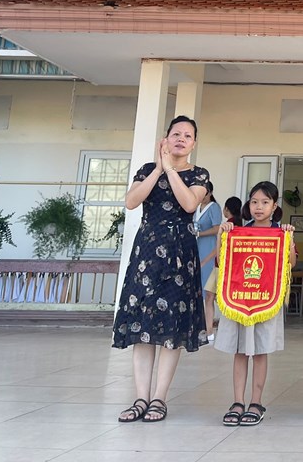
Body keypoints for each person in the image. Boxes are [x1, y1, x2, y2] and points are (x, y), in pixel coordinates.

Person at [113, 116, 210, 423]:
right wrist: (158, 169)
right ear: (165, 139)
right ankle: (140, 398)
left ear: (193, 144)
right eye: (176, 134)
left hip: (180, 255)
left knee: (171, 327)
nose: (181, 139)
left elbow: (189, 205)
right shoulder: (147, 170)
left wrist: (170, 170)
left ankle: (159, 398)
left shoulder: (198, 174)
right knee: (142, 324)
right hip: (146, 254)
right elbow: (131, 202)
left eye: (188, 136)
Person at [215, 181, 296, 427]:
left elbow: (291, 263)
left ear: (274, 206)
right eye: (254, 202)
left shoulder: (281, 232)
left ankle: (256, 402)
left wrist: (290, 239)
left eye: (265, 202)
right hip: (240, 298)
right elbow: (220, 261)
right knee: (240, 351)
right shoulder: (238, 231)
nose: (259, 207)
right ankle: (237, 402)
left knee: (260, 351)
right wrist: (221, 235)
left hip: (266, 300)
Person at [200, 196, 244, 340]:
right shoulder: (239, 224)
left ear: (226, 209)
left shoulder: (227, 226)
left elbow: (219, 248)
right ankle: (210, 331)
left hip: (221, 266)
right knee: (212, 296)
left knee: (213, 297)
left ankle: (211, 331)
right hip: (226, 267)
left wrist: (205, 260)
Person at [193, 180, 223, 340]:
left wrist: (200, 234)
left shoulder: (214, 207)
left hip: (209, 250)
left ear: (209, 193)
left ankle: (209, 328)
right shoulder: (196, 207)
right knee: (197, 289)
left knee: (209, 291)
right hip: (196, 249)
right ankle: (200, 325)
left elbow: (217, 228)